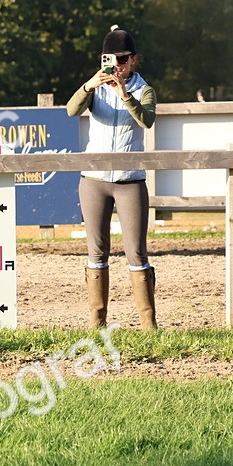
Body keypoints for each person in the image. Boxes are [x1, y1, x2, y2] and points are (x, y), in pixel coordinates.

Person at [66, 25, 158, 329]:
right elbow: (70, 110)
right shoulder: (97, 86)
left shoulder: (144, 88)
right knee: (97, 250)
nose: (116, 66)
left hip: (130, 180)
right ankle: (97, 322)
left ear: (132, 60)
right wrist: (89, 86)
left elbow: (146, 120)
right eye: (112, 59)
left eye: (122, 60)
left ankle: (148, 324)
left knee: (136, 250)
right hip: (94, 179)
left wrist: (125, 95)